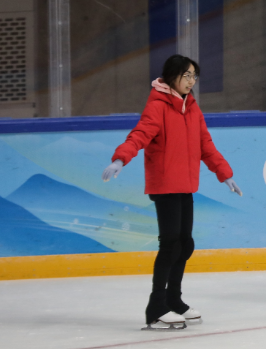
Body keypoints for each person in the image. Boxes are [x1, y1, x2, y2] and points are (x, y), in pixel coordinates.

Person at [102, 55, 241, 329]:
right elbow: (140, 134)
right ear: (171, 77)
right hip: (165, 185)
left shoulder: (192, 108)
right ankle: (156, 308)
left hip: (186, 185)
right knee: (170, 245)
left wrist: (225, 174)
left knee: (184, 244)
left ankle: (174, 300)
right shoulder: (158, 106)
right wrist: (120, 159)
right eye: (187, 76)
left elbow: (206, 145)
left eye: (194, 76)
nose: (191, 81)